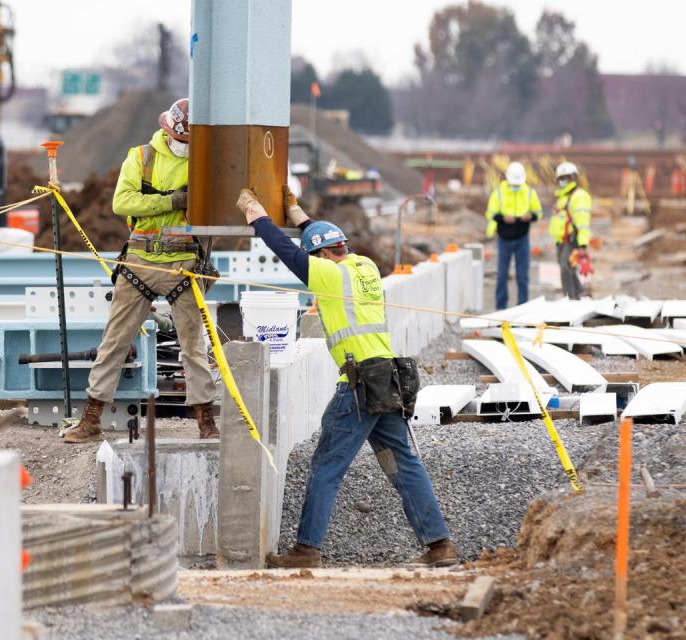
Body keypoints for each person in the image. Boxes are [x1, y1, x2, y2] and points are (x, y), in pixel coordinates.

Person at [236, 186, 457, 569]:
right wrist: (299, 215)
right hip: (388, 379)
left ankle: (306, 551)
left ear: (320, 255)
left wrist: (258, 218)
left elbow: (287, 253)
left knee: (327, 464)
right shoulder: (365, 266)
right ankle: (440, 545)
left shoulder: (327, 275)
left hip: (357, 385)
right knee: (403, 462)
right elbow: (324, 242)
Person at [62, 98, 219, 443]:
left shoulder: (206, 162)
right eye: (179, 140)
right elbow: (122, 202)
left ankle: (206, 422)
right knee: (114, 341)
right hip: (139, 262)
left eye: (189, 143)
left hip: (184, 263)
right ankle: (91, 419)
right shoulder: (141, 158)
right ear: (167, 130)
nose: (182, 147)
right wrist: (171, 201)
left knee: (193, 345)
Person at [484, 162, 542, 309]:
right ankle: (500, 308)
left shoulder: (529, 193)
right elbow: (490, 213)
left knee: (523, 276)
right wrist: (502, 218)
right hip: (504, 239)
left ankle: (522, 307)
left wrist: (530, 216)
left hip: (522, 238)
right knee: (502, 276)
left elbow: (538, 213)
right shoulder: (498, 193)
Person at [549, 162, 593, 300]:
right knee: (569, 270)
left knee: (566, 269)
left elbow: (583, 223)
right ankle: (578, 296)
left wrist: (583, 245)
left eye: (567, 178)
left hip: (573, 240)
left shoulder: (579, 196)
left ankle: (570, 300)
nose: (563, 181)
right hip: (562, 241)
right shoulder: (563, 197)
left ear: (574, 178)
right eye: (561, 178)